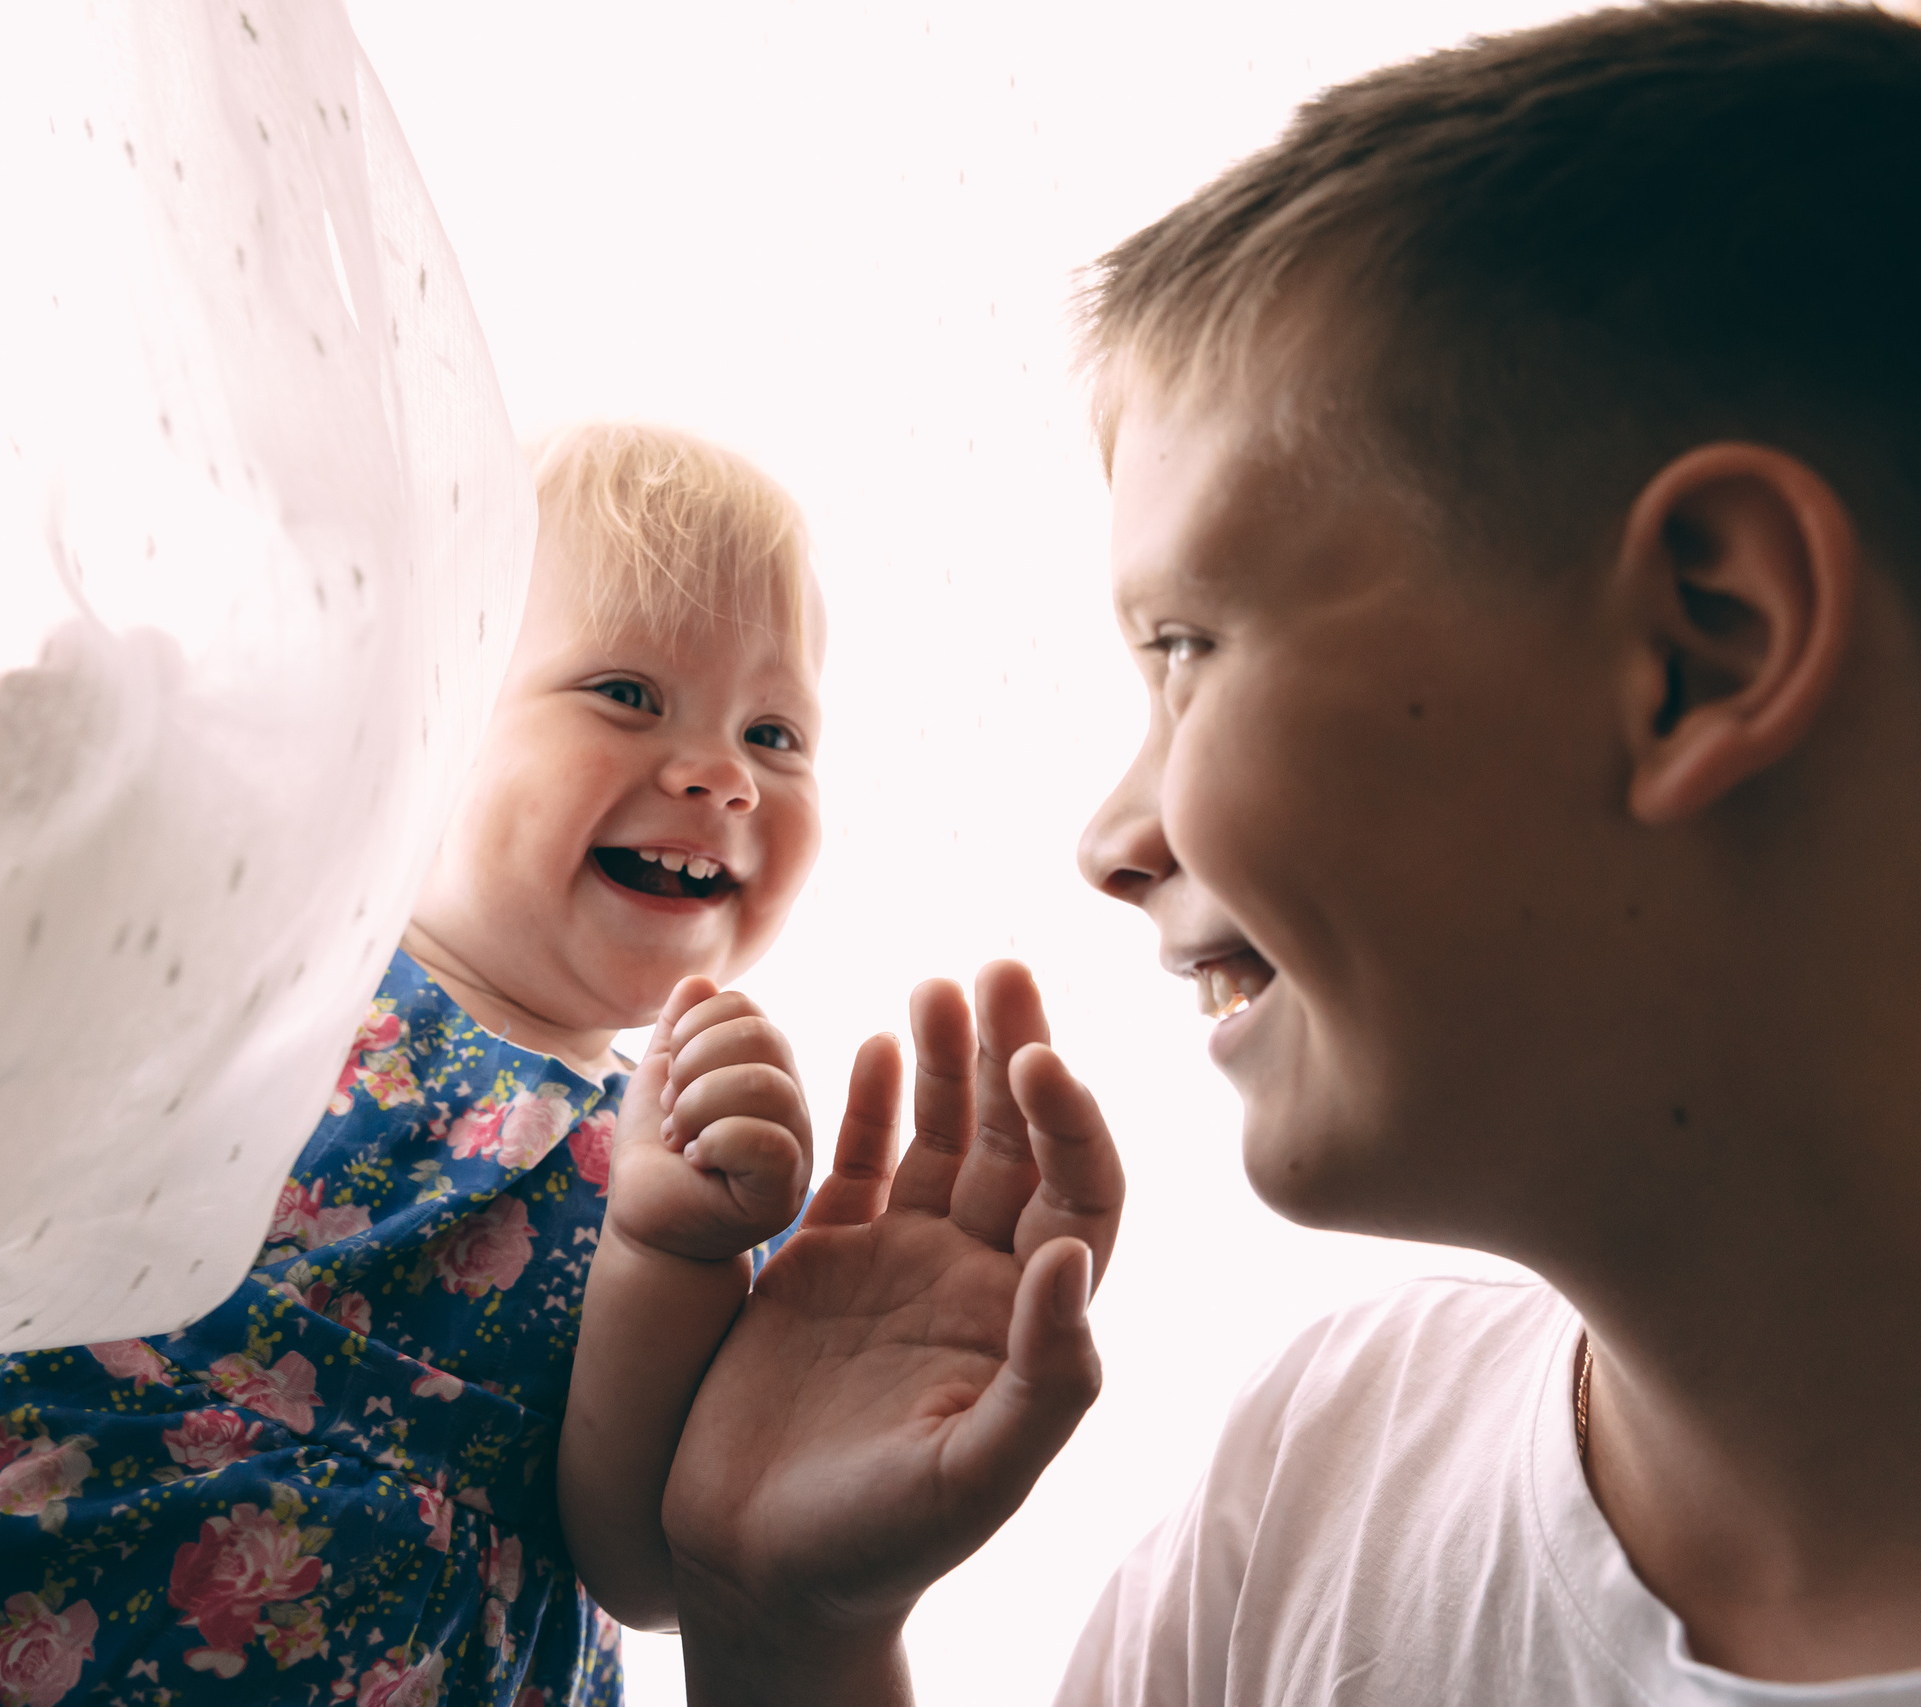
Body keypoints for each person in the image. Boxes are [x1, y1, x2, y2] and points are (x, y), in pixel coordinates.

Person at [652, 5, 1921, 1702]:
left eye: (1184, 647)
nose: (1112, 840)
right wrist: (781, 1625)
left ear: (1709, 636)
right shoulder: (1327, 1467)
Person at [0, 421, 832, 1707]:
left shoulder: (690, 1164)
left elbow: (649, 1571)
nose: (720, 775)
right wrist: (14, 827)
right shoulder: (255, 947)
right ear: (425, 715)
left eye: (778, 735)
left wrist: (669, 1250)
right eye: (625, 694)